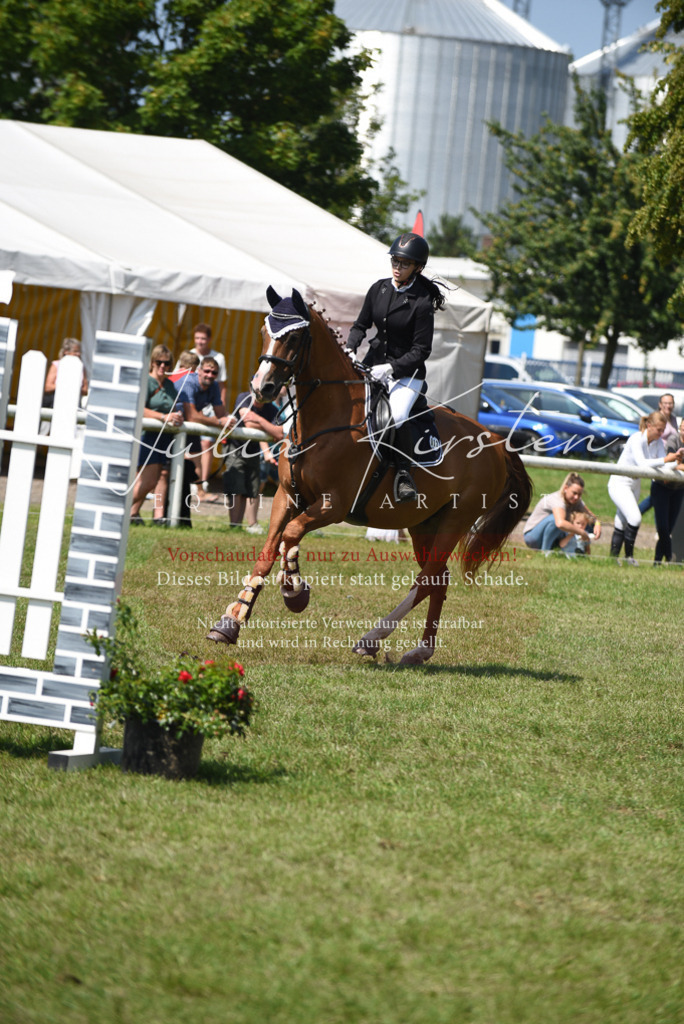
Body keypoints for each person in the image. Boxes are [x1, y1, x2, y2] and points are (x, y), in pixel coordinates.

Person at [346, 232, 446, 503]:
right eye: (395, 260)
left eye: (404, 263)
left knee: (398, 415)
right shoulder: (378, 288)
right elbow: (360, 325)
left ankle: (404, 474)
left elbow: (421, 351)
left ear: (417, 267)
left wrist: (390, 368)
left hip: (406, 375)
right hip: (372, 365)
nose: (397, 266)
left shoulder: (421, 302)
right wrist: (350, 347)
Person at [608, 410, 684, 566]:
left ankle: (611, 558)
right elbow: (642, 464)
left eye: (663, 430)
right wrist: (666, 459)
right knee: (635, 518)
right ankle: (629, 557)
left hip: (634, 484)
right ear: (649, 426)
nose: (661, 433)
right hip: (619, 482)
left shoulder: (657, 443)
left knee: (621, 521)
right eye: (659, 430)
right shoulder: (635, 439)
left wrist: (676, 460)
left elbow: (663, 465)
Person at [130, 345, 184, 525]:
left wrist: (176, 416)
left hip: (165, 438)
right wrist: (162, 416)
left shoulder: (170, 385)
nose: (163, 366)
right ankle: (120, 509)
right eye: (159, 362)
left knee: (153, 480)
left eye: (167, 363)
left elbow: (173, 408)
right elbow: (139, 408)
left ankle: (131, 513)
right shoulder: (146, 381)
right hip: (147, 437)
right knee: (148, 481)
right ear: (152, 362)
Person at [223, 392, 284, 533]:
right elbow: (249, 424)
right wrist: (267, 426)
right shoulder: (243, 397)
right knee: (236, 488)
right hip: (236, 447)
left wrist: (258, 419)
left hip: (254, 450)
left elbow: (279, 433)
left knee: (251, 489)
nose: (261, 393)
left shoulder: (271, 408)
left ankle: (247, 525)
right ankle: (235, 526)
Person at [176, 324, 227, 493]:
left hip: (191, 421)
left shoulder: (213, 381)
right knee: (170, 465)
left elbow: (220, 411)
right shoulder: (188, 381)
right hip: (173, 419)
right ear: (198, 370)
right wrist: (219, 422)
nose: (210, 375)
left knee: (202, 452)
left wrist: (227, 420)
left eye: (213, 373)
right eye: (207, 372)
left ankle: (201, 491)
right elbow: (192, 416)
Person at [523, 472, 602, 554]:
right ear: (565, 488)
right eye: (574, 493)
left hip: (553, 537)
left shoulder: (577, 501)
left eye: (579, 494)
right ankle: (545, 552)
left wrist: (597, 523)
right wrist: (581, 532)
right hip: (533, 537)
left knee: (583, 522)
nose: (576, 497)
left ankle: (573, 552)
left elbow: (591, 516)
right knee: (556, 520)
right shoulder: (557, 499)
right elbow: (560, 523)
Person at [638, 393, 679, 515]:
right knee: (656, 495)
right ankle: (659, 527)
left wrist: (675, 458)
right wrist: (667, 459)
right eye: (665, 403)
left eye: (670, 403)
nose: (668, 405)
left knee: (656, 496)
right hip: (659, 458)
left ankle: (659, 527)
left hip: (667, 458)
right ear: (660, 404)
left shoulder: (673, 419)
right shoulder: (657, 419)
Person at [43, 337, 88, 407]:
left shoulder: (81, 367)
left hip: (75, 402)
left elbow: (85, 390)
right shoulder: (56, 365)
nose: (78, 354)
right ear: (66, 352)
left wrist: (76, 387)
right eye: (75, 351)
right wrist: (65, 385)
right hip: (55, 401)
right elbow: (48, 387)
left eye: (79, 351)